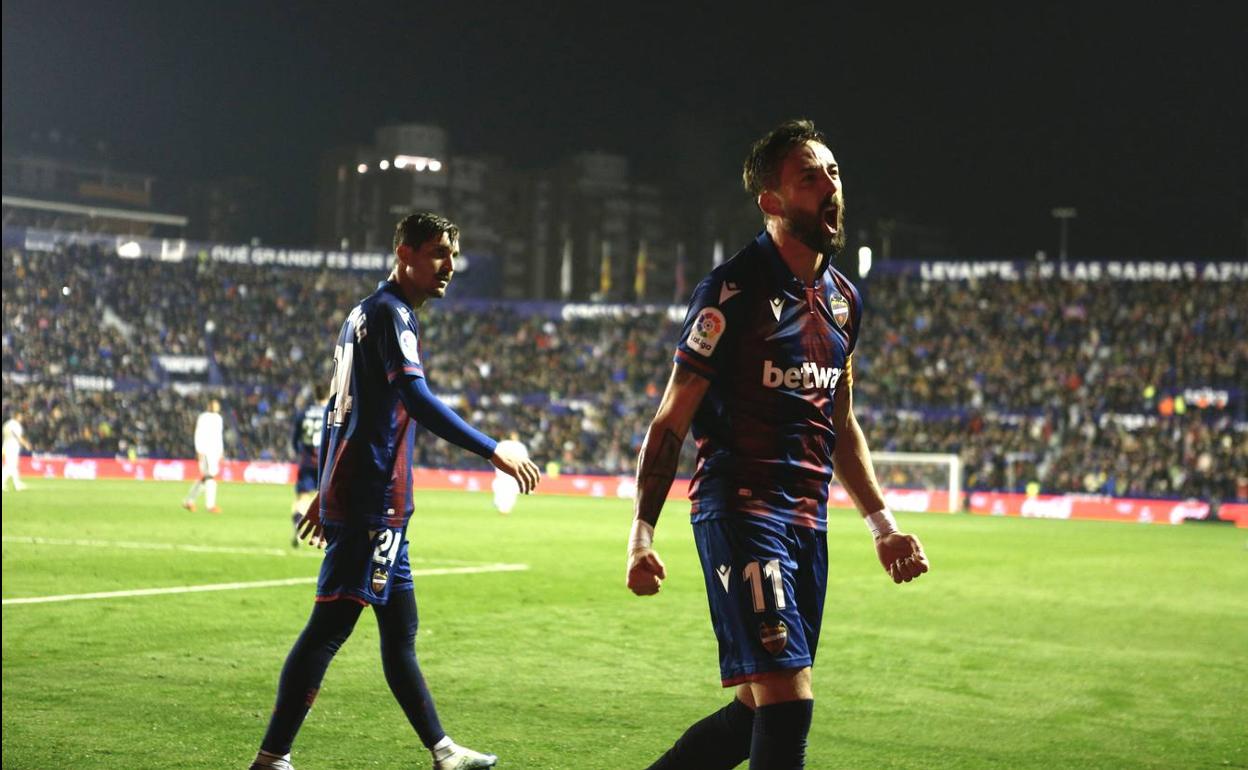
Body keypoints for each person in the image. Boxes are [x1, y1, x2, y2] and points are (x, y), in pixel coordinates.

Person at [625, 119, 930, 769]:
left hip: (806, 526)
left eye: (835, 172)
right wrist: (641, 536)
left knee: (752, 716)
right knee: (789, 704)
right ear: (771, 201)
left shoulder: (845, 301)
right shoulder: (731, 293)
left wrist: (883, 525)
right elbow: (671, 420)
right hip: (741, 512)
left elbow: (840, 424)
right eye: (809, 177)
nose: (831, 186)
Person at [249, 213, 541, 770]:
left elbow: (344, 411)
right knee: (329, 630)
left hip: (379, 504)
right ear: (404, 253)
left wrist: (323, 487)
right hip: (372, 505)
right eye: (437, 254)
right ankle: (272, 758)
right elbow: (417, 398)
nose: (449, 267)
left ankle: (443, 750)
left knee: (400, 634)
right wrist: (492, 449)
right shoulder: (391, 315)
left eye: (453, 256)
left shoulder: (362, 314)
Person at [289, 384, 329, 546]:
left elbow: (294, 439)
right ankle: (324, 537)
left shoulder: (303, 413)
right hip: (325, 462)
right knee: (326, 499)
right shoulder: (331, 412)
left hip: (306, 461)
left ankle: (298, 529)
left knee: (302, 498)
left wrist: (301, 452)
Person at [183, 399, 225, 513]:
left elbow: (219, 436)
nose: (216, 407)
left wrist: (221, 450)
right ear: (209, 406)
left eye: (217, 405)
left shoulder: (219, 418)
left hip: (214, 452)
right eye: (214, 405)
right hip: (205, 450)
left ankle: (189, 501)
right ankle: (210, 505)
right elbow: (199, 433)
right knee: (210, 476)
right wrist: (199, 449)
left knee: (205, 477)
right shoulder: (204, 417)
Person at [491, 434, 529, 514]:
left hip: (502, 472)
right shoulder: (520, 446)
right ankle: (504, 508)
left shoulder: (501, 444)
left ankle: (499, 503)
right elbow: (525, 460)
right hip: (513, 472)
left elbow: (492, 456)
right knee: (511, 491)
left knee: (499, 487)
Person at [2, 412, 33, 492]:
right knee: (10, 466)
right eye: (20, 417)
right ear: (17, 417)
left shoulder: (6, 424)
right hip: (13, 447)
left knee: (13, 466)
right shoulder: (16, 425)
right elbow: (18, 437)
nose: (21, 418)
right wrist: (26, 444)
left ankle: (17, 484)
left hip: (6, 446)